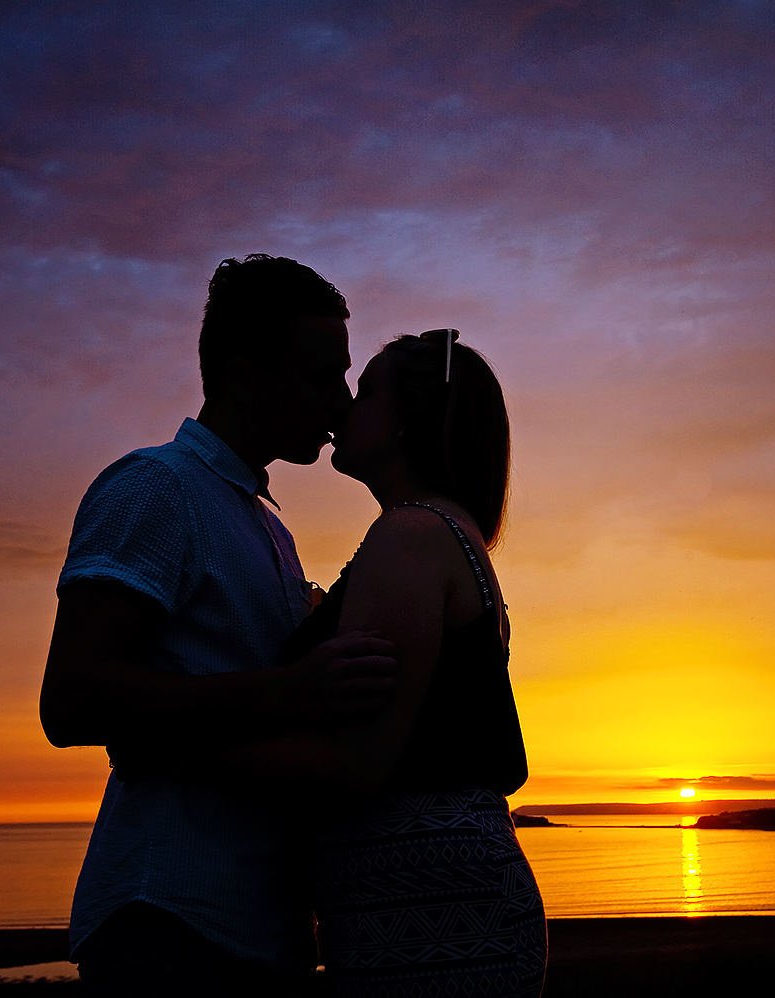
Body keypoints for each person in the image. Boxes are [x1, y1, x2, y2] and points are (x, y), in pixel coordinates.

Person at [39, 254, 397, 996]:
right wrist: (288, 692)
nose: (340, 401)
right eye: (321, 376)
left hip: (254, 928)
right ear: (243, 376)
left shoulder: (263, 522)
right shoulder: (155, 486)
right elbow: (72, 698)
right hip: (170, 920)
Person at [253, 329, 546, 997]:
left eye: (367, 391)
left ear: (409, 418)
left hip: (435, 921)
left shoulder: (410, 535)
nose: (342, 408)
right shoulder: (445, 533)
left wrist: (185, 756)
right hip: (428, 912)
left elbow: (359, 763)